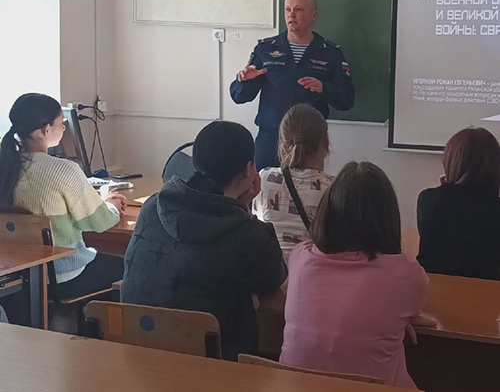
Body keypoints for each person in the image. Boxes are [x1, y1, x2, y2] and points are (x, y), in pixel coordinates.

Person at [120, 121, 288, 361]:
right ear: (249, 169)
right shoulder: (250, 234)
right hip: (212, 368)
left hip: (140, 357)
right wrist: (243, 209)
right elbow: (273, 279)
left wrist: (237, 207)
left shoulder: (153, 206)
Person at [280, 161, 430, 389]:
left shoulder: (300, 257)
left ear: (328, 210)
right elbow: (411, 307)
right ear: (388, 217)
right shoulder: (407, 274)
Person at [0, 93, 127, 300]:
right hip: (64, 276)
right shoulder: (63, 170)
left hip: (17, 279)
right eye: (62, 123)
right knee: (131, 267)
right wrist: (110, 206)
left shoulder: (6, 166)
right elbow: (99, 222)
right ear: (46, 129)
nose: (64, 128)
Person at [230, 0, 355, 170]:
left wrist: (323, 88)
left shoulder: (330, 53)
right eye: (288, 9)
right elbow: (239, 97)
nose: (291, 15)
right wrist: (243, 81)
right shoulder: (265, 49)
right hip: (271, 140)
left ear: (314, 16)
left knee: (307, 189)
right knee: (264, 187)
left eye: (298, 9)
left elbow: (347, 100)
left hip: (309, 144)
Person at [417, 127, 500, 280]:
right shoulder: (494, 209)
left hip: (432, 287)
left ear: (450, 161)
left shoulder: (427, 199)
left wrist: (445, 188)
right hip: (486, 291)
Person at [253, 104, 334, 252]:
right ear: (326, 143)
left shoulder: (264, 178)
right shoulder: (335, 189)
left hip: (273, 265)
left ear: (283, 145)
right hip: (311, 267)